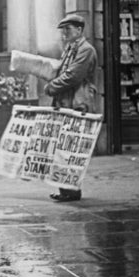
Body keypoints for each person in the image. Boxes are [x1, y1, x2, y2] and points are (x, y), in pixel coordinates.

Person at [44, 14, 98, 202]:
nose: (64, 33)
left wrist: (51, 87)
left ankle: (72, 191)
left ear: (79, 30)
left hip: (78, 104)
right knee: (63, 149)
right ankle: (66, 189)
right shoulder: (70, 49)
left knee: (71, 150)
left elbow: (73, 76)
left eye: (68, 29)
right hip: (66, 103)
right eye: (63, 30)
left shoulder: (86, 50)